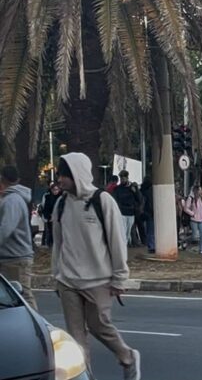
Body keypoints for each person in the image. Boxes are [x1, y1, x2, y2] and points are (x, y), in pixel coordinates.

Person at [51, 153, 140, 379]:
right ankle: (85, 376)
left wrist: (120, 278)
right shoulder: (61, 204)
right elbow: (58, 244)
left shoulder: (102, 201)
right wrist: (56, 274)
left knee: (99, 326)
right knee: (76, 339)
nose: (59, 180)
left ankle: (128, 356)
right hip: (68, 282)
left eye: (64, 175)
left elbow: (117, 241)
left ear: (77, 175)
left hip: (99, 281)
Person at [0, 166, 36, 309]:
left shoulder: (12, 200)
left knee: (23, 296)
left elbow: (5, 229)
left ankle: (37, 327)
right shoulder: (10, 199)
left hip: (16, 258)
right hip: (11, 257)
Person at [111, 170, 143, 247]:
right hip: (122, 212)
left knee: (128, 231)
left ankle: (125, 244)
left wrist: (135, 192)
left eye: (123, 178)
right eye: (121, 178)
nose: (122, 180)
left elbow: (139, 199)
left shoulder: (133, 187)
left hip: (131, 212)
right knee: (123, 230)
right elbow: (115, 199)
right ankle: (123, 245)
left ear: (127, 178)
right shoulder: (118, 189)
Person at [184, 185, 202, 254]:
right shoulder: (191, 198)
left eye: (201, 190)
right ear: (196, 191)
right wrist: (192, 214)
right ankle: (185, 242)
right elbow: (186, 208)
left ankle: (201, 249)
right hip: (194, 219)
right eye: (199, 190)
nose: (200, 191)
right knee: (194, 236)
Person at [41, 182, 62, 247]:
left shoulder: (61, 197)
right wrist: (47, 217)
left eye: (57, 189)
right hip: (50, 218)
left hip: (59, 218)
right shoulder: (48, 197)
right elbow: (45, 208)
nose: (55, 191)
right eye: (54, 190)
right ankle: (50, 244)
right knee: (51, 232)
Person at [138, 177, 155, 254]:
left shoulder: (143, 191)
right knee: (152, 230)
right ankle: (152, 246)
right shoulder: (152, 191)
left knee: (149, 231)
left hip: (147, 213)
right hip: (152, 213)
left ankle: (151, 246)